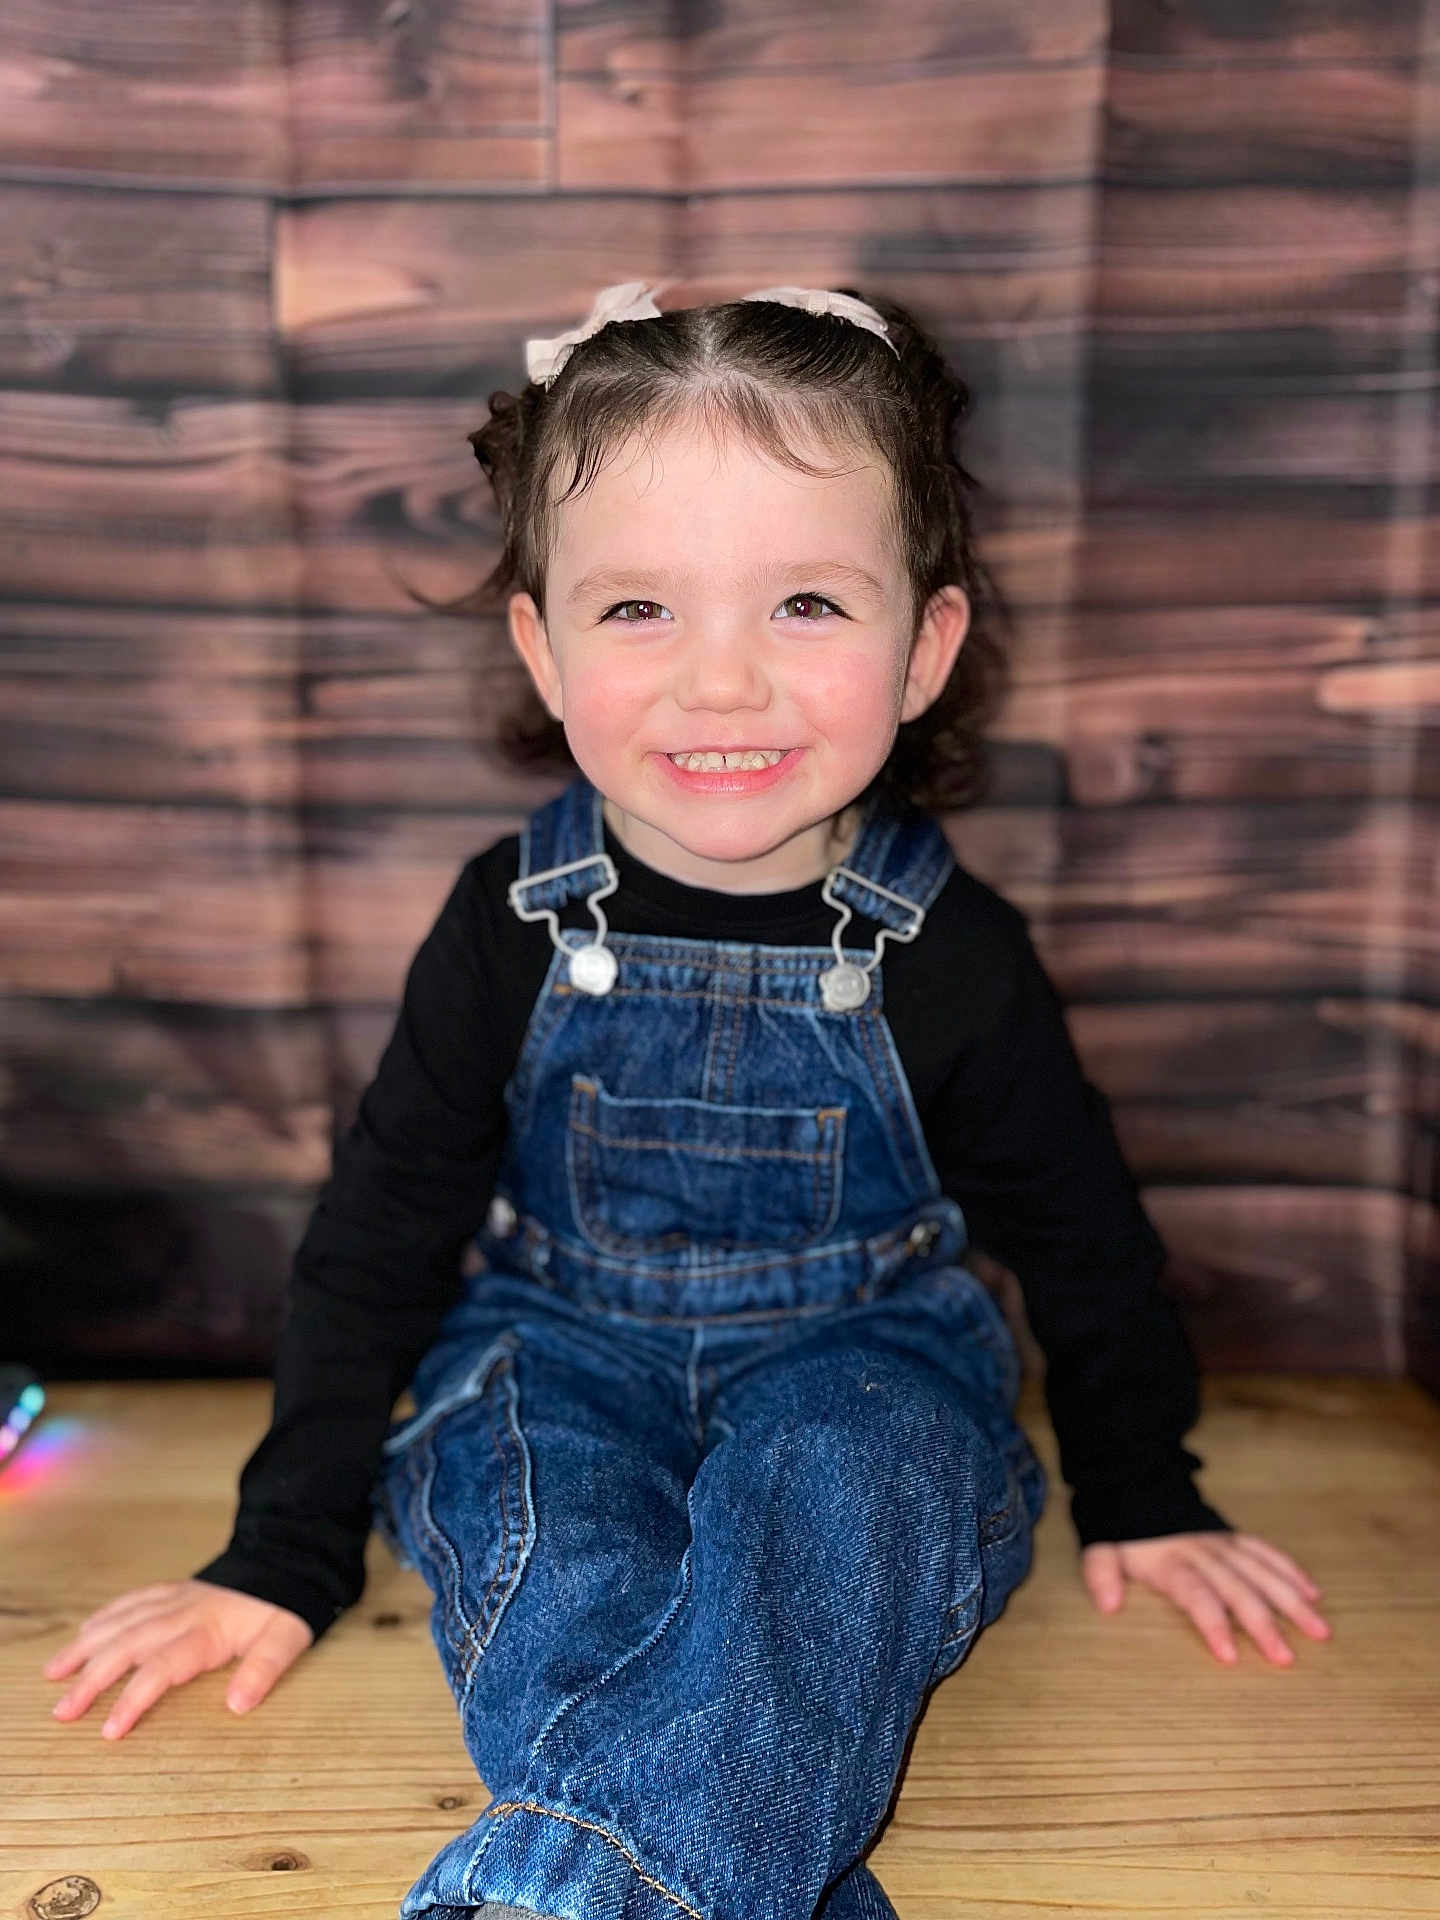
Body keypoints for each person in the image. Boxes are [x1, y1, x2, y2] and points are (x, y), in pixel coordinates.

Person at [41, 281, 1332, 1920]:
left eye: (805, 603)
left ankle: (559, 1893)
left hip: (863, 1352)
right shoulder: (506, 932)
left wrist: (1146, 1486)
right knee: (561, 1562)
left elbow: (1083, 1240)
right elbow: (374, 1242)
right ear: (543, 642)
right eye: (641, 609)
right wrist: (281, 1553)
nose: (722, 686)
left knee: (841, 1497)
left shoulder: (949, 956)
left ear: (926, 644)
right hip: (555, 1350)